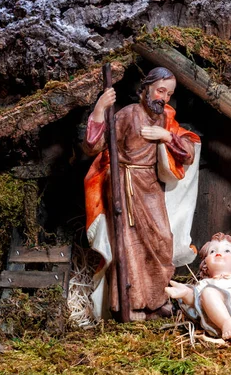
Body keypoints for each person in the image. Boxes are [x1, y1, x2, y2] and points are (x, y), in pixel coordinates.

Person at [84, 67, 201, 321]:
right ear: (146, 88)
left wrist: (166, 136)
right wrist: (98, 110)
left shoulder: (165, 118)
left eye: (169, 94)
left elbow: (188, 152)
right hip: (124, 185)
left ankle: (156, 301)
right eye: (160, 90)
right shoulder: (128, 114)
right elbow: (94, 146)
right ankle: (131, 305)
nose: (164, 98)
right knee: (127, 244)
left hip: (150, 184)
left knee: (161, 240)